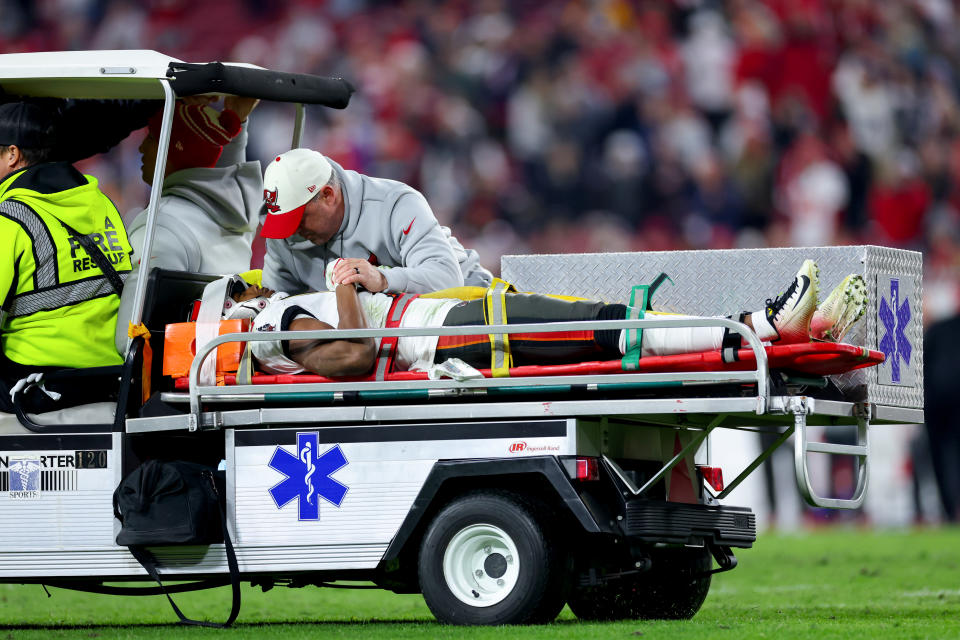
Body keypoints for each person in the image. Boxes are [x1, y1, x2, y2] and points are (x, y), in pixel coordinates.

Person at [232, 260, 867, 378]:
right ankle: (756, 328)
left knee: (610, 323)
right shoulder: (270, 328)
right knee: (607, 330)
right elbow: (352, 356)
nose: (253, 287)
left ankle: (763, 327)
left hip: (449, 320)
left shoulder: (282, 310)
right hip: (444, 334)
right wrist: (346, 287)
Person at [0, 102, 134, 413]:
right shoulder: (100, 201)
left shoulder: (9, 217)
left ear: (12, 155)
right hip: (110, 375)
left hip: (37, 381)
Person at [115, 96, 263, 353]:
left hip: (176, 377)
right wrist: (238, 122)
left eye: (151, 138)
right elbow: (216, 162)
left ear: (172, 150)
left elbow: (128, 341)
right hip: (226, 362)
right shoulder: (235, 211)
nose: (141, 148)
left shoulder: (161, 225)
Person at [259, 148, 492, 296]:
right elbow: (274, 302)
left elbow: (448, 280)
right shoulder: (283, 233)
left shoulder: (395, 203)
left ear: (328, 195)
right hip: (386, 327)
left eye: (298, 219)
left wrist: (381, 278)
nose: (292, 232)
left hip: (470, 305)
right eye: (282, 222)